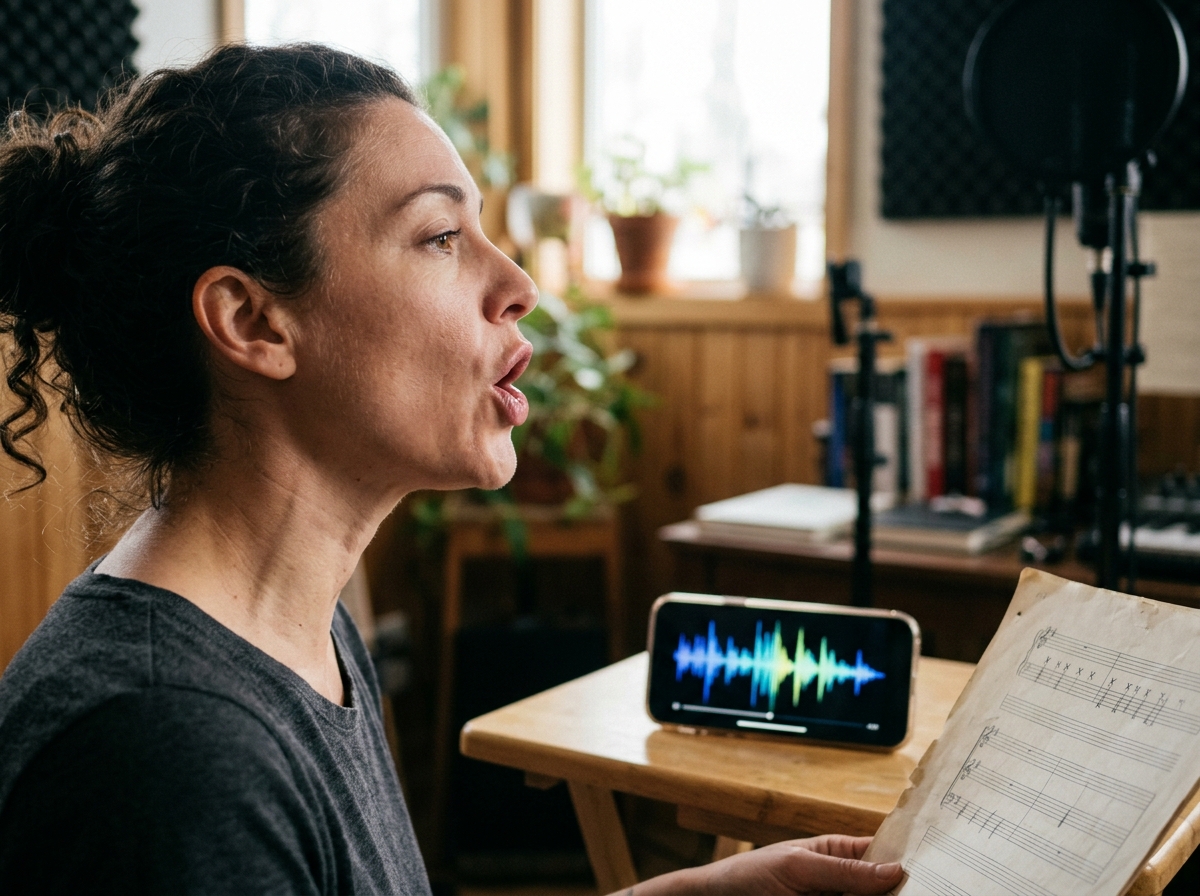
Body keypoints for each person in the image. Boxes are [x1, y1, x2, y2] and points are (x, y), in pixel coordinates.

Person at [0, 43, 905, 896]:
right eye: (439, 236)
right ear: (253, 321)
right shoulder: (171, 754)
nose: (518, 284)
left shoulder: (296, 637)